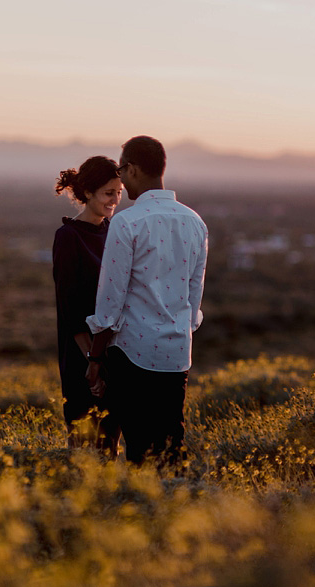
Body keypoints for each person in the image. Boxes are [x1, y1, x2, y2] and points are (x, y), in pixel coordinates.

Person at [85, 136, 208, 469]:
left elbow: (109, 307)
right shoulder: (195, 222)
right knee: (172, 448)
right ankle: (175, 508)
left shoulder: (127, 223)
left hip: (133, 356)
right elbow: (193, 301)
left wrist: (95, 358)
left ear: (134, 169)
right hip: (177, 356)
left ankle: (146, 509)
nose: (121, 179)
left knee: (139, 451)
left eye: (122, 169)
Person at [52, 155, 123, 455]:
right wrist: (93, 366)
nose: (115, 200)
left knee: (109, 447)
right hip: (83, 359)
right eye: (109, 193)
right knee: (84, 450)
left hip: (114, 356)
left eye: (119, 193)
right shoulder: (68, 237)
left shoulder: (116, 232)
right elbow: (70, 309)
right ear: (89, 192)